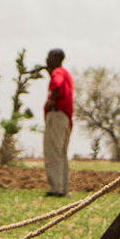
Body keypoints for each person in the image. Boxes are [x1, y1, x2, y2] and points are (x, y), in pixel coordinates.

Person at [42, 49, 73, 197]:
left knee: (52, 152)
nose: (47, 60)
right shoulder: (66, 73)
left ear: (55, 58)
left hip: (56, 115)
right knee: (61, 154)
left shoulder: (58, 73)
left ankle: (56, 188)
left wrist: (51, 100)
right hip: (65, 118)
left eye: (49, 57)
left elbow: (57, 84)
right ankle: (64, 188)